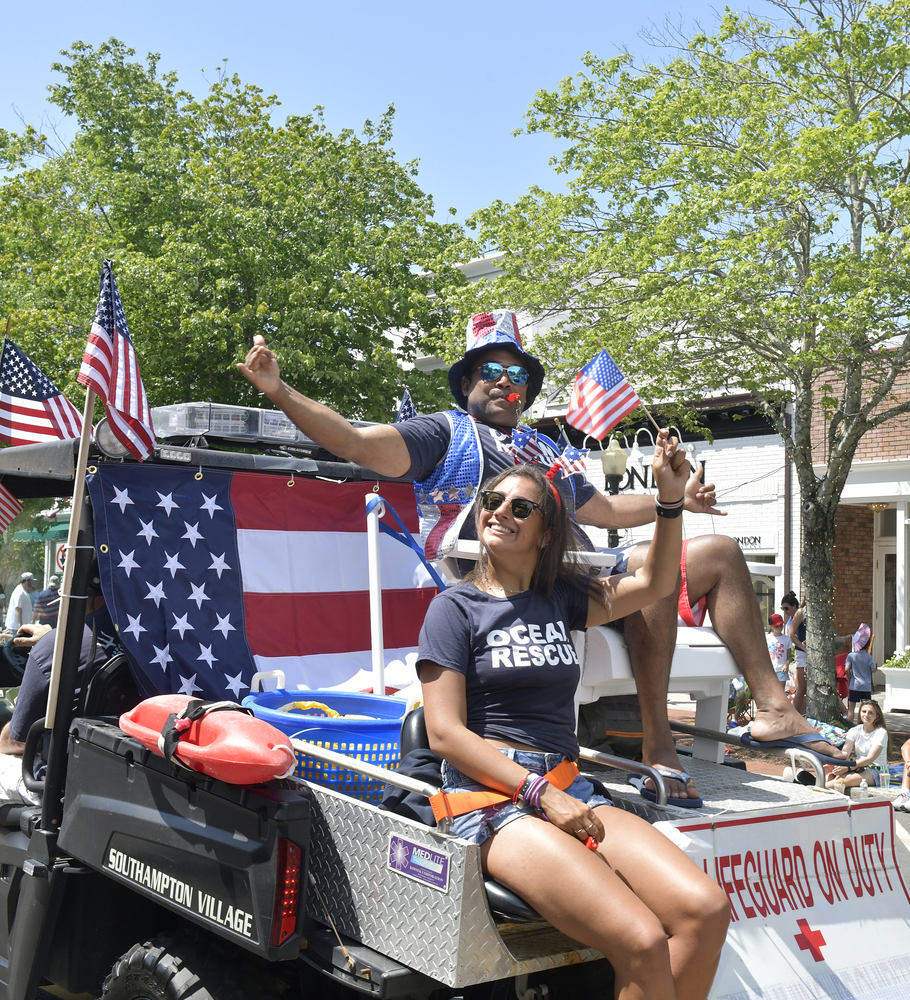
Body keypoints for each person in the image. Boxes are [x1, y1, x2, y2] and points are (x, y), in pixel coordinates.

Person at [239, 312, 822, 807]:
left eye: (516, 375)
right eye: (489, 371)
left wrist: (677, 500)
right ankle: (658, 744)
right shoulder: (444, 433)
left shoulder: (544, 448)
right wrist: (280, 392)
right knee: (653, 577)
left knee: (717, 552)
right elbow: (359, 444)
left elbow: (609, 511)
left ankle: (774, 708)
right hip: (505, 592)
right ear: (466, 379)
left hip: (583, 581)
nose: (503, 383)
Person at [416, 434, 730, 998]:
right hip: (491, 799)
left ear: (545, 532)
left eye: (521, 507)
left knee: (705, 911)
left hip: (568, 785)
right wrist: (541, 794)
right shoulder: (453, 608)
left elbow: (658, 583)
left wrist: (668, 501)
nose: (501, 513)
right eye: (492, 501)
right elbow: (443, 733)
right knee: (641, 940)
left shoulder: (560, 597)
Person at [0, 602, 107, 948]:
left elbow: (18, 738)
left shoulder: (61, 646)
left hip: (63, 781)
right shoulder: (148, 640)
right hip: (115, 774)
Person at [825, 700, 888, 792]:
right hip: (858, 767)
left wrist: (848, 767)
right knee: (831, 776)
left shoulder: (881, 733)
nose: (866, 715)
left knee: (842, 781)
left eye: (871, 713)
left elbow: (869, 759)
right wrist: (835, 764)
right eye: (864, 711)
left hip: (876, 771)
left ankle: (813, 788)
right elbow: (845, 753)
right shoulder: (854, 730)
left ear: (877, 716)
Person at [782, 594, 807, 713]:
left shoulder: (800, 613)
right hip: (801, 652)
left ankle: (802, 714)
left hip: (807, 651)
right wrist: (803, 646)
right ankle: (795, 714)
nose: (785, 611)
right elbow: (791, 635)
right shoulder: (796, 616)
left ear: (794, 606)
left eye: (786, 608)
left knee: (806, 688)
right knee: (802, 687)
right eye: (783, 609)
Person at [844, 624, 875, 717]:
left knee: (851, 707)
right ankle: (863, 725)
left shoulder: (851, 655)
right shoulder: (869, 657)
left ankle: (850, 724)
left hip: (855, 685)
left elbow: (846, 669)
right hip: (866, 686)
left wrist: (849, 679)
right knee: (866, 708)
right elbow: (873, 669)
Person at [766, 614, 793, 682]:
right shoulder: (766, 638)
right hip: (769, 670)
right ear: (770, 626)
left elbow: (789, 656)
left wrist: (786, 664)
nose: (779, 627)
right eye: (776, 626)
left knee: (781, 691)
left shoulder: (787, 639)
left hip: (782, 670)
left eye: (781, 625)